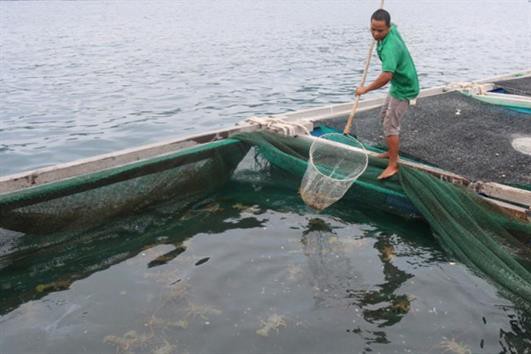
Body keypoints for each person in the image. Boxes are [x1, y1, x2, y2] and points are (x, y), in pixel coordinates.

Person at [355, 9, 419, 179]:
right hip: (397, 84)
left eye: (380, 31)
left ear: (388, 28)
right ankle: (391, 153)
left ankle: (393, 164)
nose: (375, 34)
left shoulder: (390, 47)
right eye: (372, 29)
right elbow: (390, 22)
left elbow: (386, 76)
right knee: (384, 117)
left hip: (404, 87)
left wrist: (365, 89)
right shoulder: (391, 30)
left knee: (390, 126)